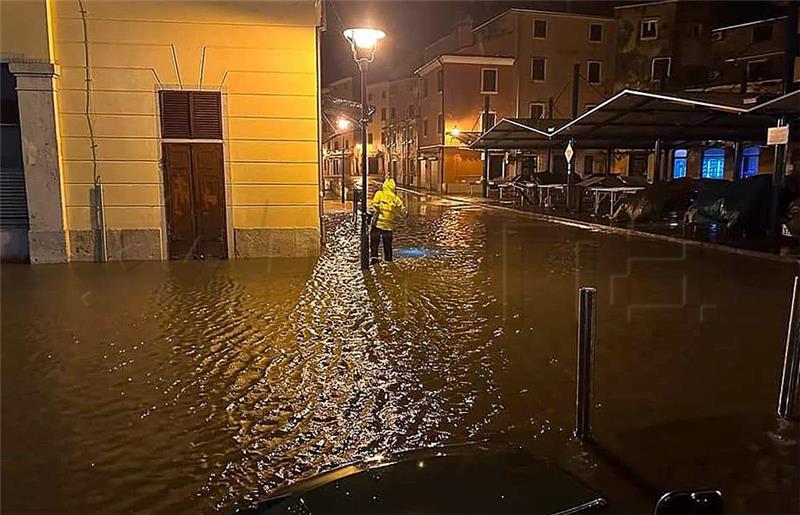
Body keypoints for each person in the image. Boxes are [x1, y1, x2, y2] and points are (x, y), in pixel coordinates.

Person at [368, 178, 406, 262]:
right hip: (389, 227)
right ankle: (388, 261)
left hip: (377, 225)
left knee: (374, 244)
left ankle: (374, 260)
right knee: (388, 245)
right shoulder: (396, 199)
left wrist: (369, 214)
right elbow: (402, 213)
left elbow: (373, 207)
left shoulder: (379, 194)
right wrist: (404, 214)